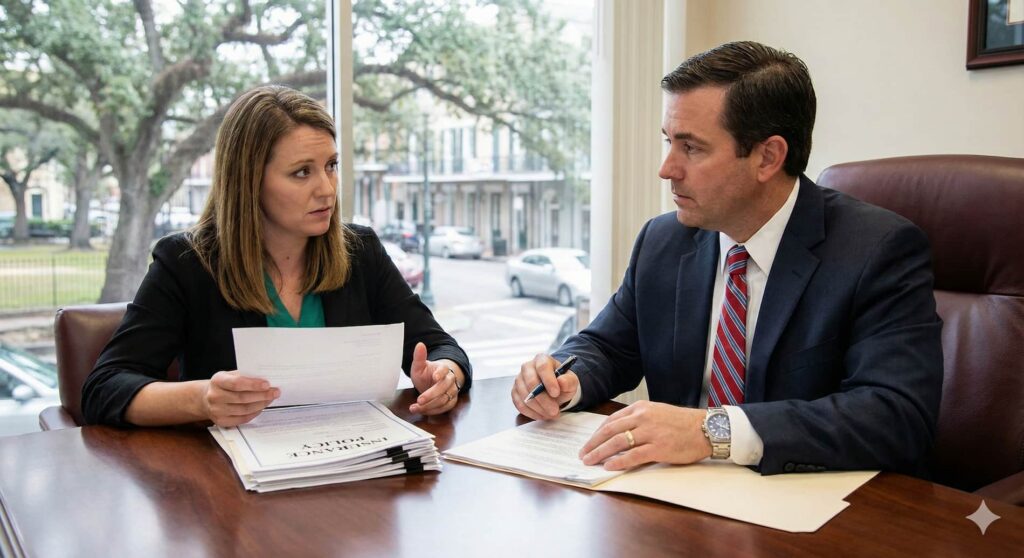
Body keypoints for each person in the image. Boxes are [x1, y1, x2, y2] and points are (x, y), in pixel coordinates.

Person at [511, 41, 943, 475]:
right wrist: (564, 379)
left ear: (767, 157)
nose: (667, 168)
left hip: (802, 508)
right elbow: (609, 346)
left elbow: (896, 415)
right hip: (672, 499)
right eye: (668, 142)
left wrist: (711, 431)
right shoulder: (664, 240)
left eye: (691, 148)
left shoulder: (877, 249)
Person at [83, 85, 470, 427]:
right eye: (302, 172)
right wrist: (202, 399)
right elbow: (105, 388)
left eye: (331, 166)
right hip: (234, 489)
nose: (327, 189)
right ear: (249, 181)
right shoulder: (187, 262)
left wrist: (443, 376)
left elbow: (442, 348)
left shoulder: (361, 251)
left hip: (355, 472)